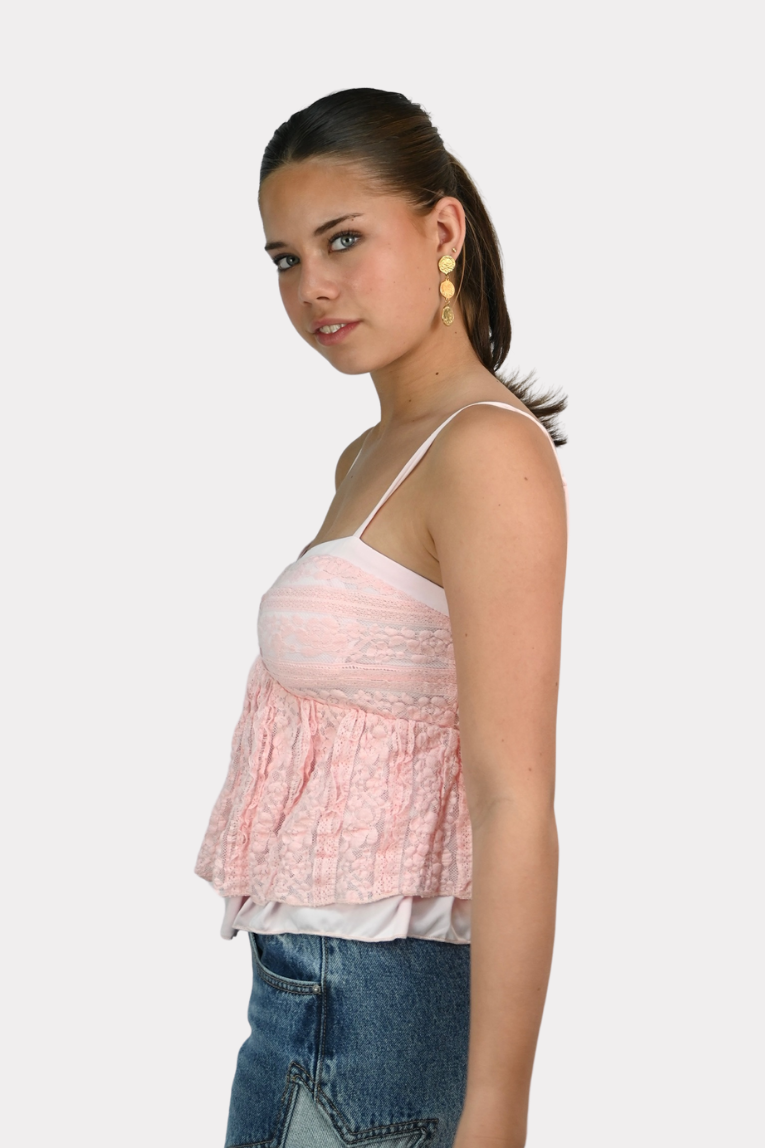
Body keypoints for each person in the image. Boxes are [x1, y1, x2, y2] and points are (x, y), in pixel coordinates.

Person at [195, 87, 568, 1148]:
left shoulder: (484, 452)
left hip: (374, 1017)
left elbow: (512, 798)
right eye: (285, 258)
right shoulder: (370, 455)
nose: (312, 286)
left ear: (442, 229)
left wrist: (497, 1110)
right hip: (301, 998)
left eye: (344, 239)